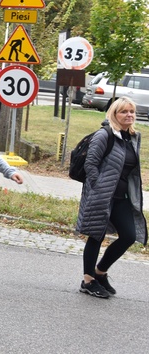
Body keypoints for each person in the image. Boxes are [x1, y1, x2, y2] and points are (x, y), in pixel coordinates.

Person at [78, 97, 147, 298]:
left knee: (129, 236)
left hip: (122, 197)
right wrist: (99, 187)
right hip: (102, 194)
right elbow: (90, 164)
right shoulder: (104, 135)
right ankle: (88, 280)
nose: (129, 115)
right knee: (96, 235)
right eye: (124, 112)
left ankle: (100, 272)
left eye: (132, 112)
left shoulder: (133, 137)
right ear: (114, 114)